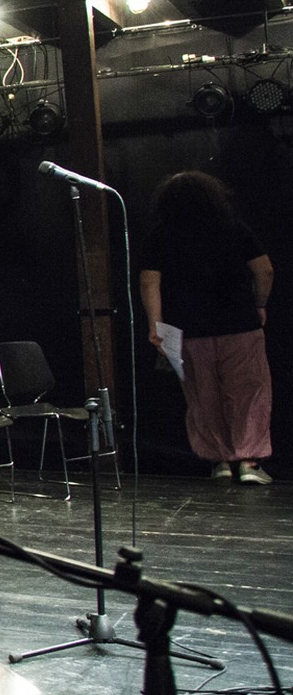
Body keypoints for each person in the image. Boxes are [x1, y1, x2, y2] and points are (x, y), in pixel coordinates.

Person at [139, 170, 273, 484]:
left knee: (202, 397)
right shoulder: (233, 227)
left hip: (186, 330)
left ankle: (220, 461)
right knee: (249, 392)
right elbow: (264, 270)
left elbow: (149, 282)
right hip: (239, 323)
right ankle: (249, 461)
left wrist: (155, 325)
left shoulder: (161, 234)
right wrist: (260, 304)